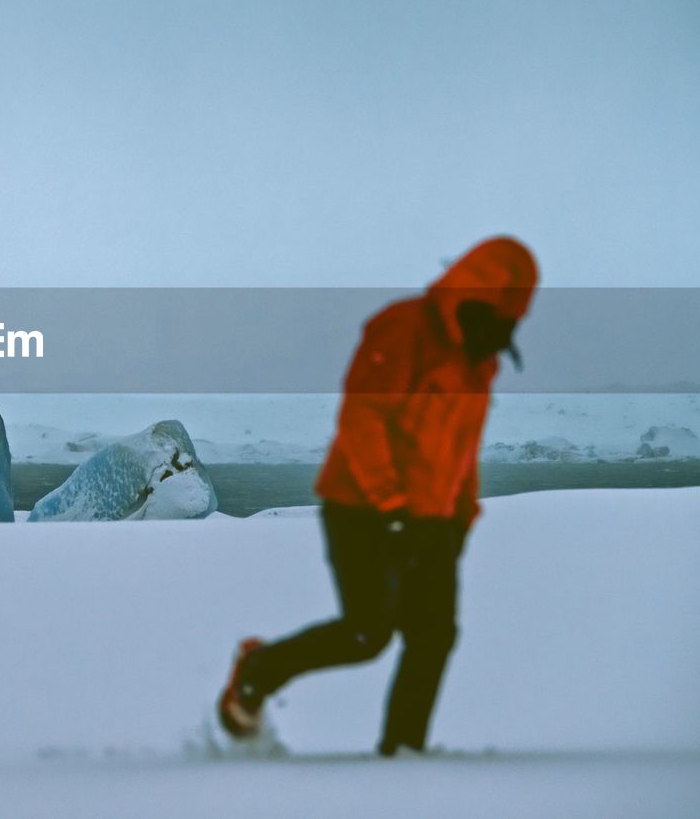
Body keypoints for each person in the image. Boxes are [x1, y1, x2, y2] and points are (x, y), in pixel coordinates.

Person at [217, 236, 539, 756]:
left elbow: (459, 447)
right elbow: (364, 419)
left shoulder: (480, 358)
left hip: (433, 520)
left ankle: (403, 754)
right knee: (367, 632)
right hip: (362, 508)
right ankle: (257, 672)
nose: (505, 331)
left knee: (433, 636)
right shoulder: (405, 327)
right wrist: (390, 507)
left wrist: (460, 517)